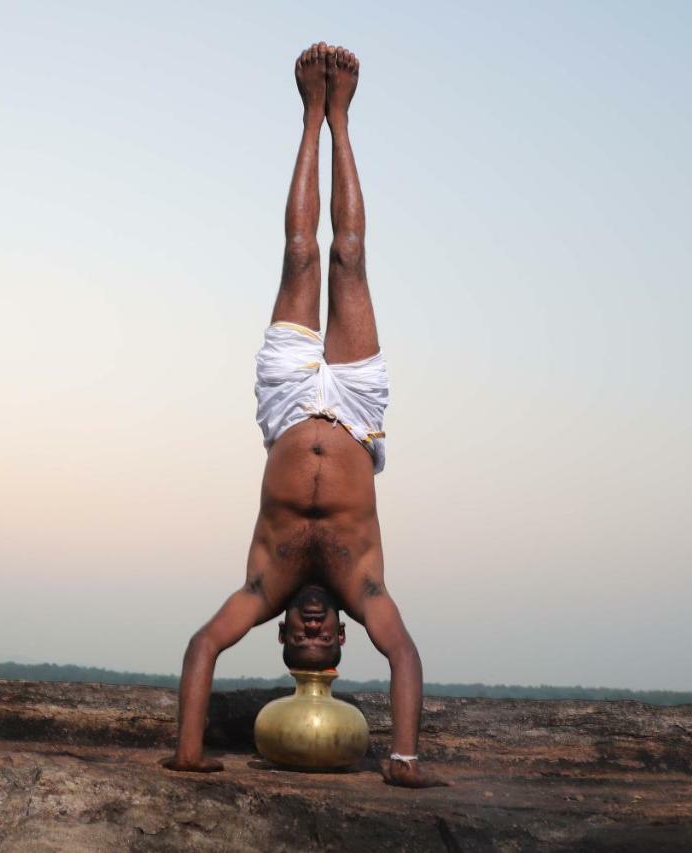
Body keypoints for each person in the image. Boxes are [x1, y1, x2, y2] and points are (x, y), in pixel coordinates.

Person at [160, 42, 447, 788]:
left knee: (299, 255)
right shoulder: (364, 583)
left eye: (304, 636)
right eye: (323, 637)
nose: (315, 627)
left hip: (287, 406)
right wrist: (404, 758)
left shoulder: (264, 583)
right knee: (347, 255)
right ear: (340, 637)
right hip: (355, 411)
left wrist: (190, 753)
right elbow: (407, 656)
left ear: (286, 630)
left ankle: (311, 114)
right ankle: (341, 120)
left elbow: (202, 646)